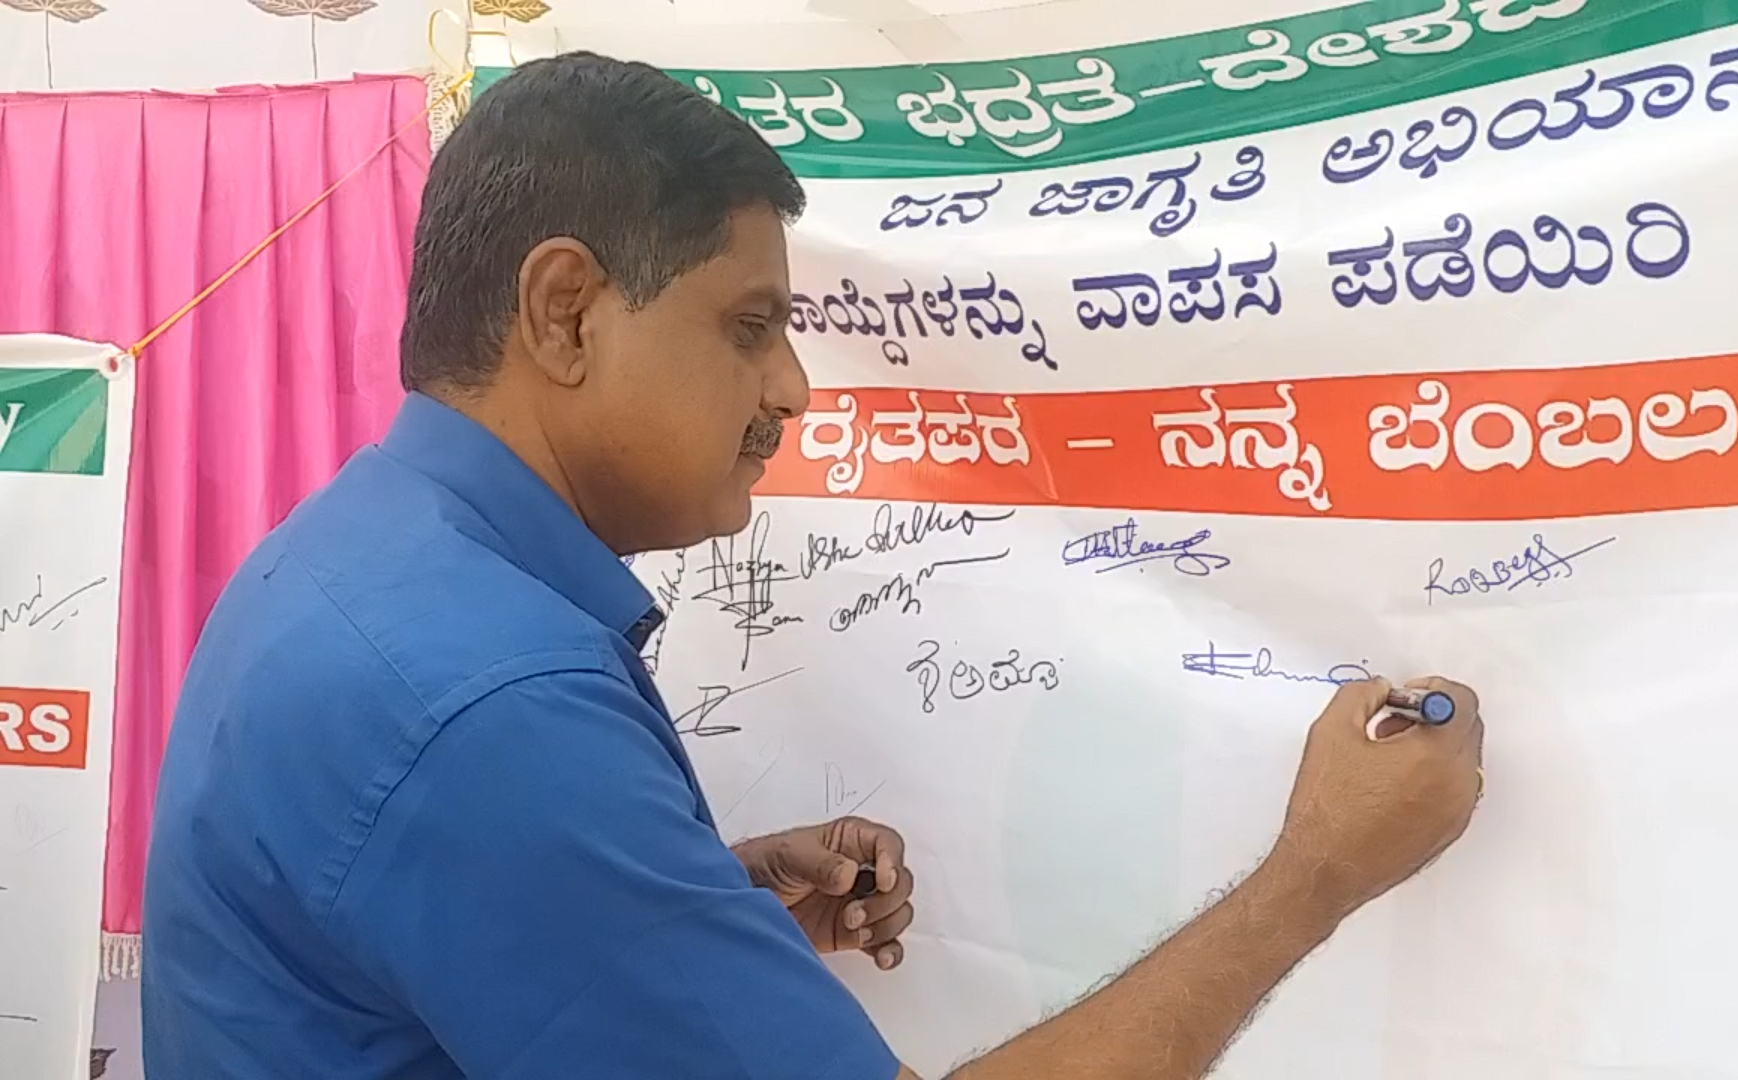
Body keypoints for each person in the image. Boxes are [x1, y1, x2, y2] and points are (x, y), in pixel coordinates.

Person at [141, 52, 1486, 1080]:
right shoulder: (486, 707)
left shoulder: (361, 556)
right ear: (566, 313)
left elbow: (419, 934)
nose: (790, 388)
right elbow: (477, 784)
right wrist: (1314, 874)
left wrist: (687, 903)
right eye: (749, 326)